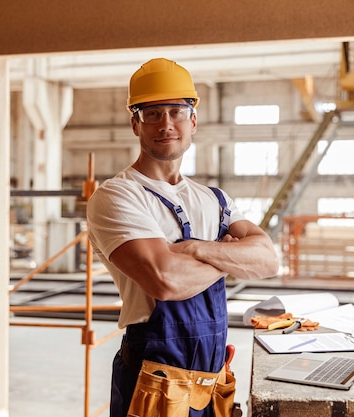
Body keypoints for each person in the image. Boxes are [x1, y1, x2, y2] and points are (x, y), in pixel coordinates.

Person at [86, 58, 279, 417]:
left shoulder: (214, 199)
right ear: (135, 124)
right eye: (152, 113)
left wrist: (194, 249)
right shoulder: (118, 196)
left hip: (211, 381)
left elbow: (267, 260)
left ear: (193, 121)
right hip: (153, 384)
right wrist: (229, 254)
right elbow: (165, 280)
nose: (166, 123)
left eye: (176, 111)